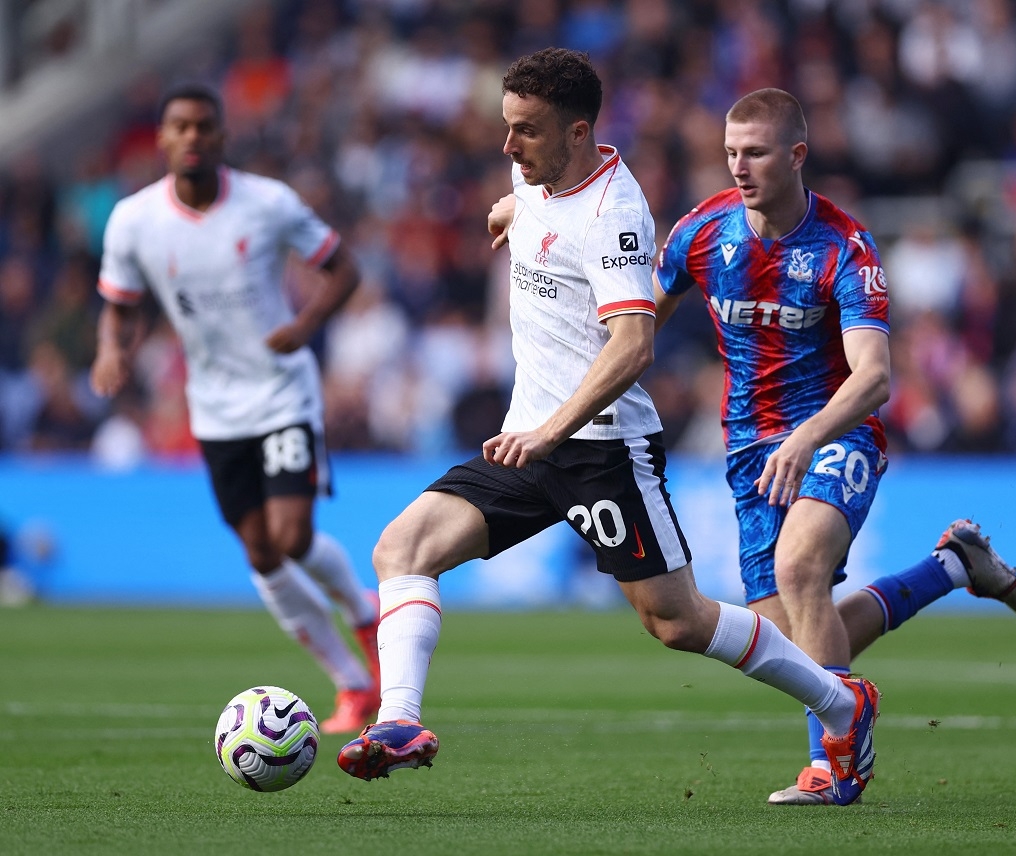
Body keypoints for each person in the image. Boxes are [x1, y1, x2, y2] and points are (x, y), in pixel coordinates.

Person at [336, 48, 879, 807]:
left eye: (524, 132)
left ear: (577, 131)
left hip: (602, 450)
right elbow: (531, 207)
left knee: (678, 623)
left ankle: (841, 703)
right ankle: (400, 723)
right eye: (506, 128)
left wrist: (552, 432)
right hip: (526, 440)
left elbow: (634, 343)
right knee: (402, 547)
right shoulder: (537, 178)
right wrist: (511, 209)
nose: (507, 146)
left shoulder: (615, 214)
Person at [652, 88, 1016, 805]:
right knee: (789, 645)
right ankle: (951, 568)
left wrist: (806, 438)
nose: (740, 166)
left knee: (800, 569)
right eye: (731, 152)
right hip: (749, 450)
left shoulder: (844, 248)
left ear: (796, 155)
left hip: (835, 430)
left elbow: (875, 378)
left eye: (756, 153)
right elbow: (637, 325)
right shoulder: (700, 234)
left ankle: (835, 770)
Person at [89, 83, 381, 734]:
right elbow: (120, 303)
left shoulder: (268, 204)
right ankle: (354, 686)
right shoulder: (134, 220)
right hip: (215, 406)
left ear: (222, 137)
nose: (192, 137)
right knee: (259, 552)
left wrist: (305, 326)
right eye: (180, 127)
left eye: (204, 126)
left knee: (292, 536)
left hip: (281, 391)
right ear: (162, 139)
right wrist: (114, 350)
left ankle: (366, 615)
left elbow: (345, 269)